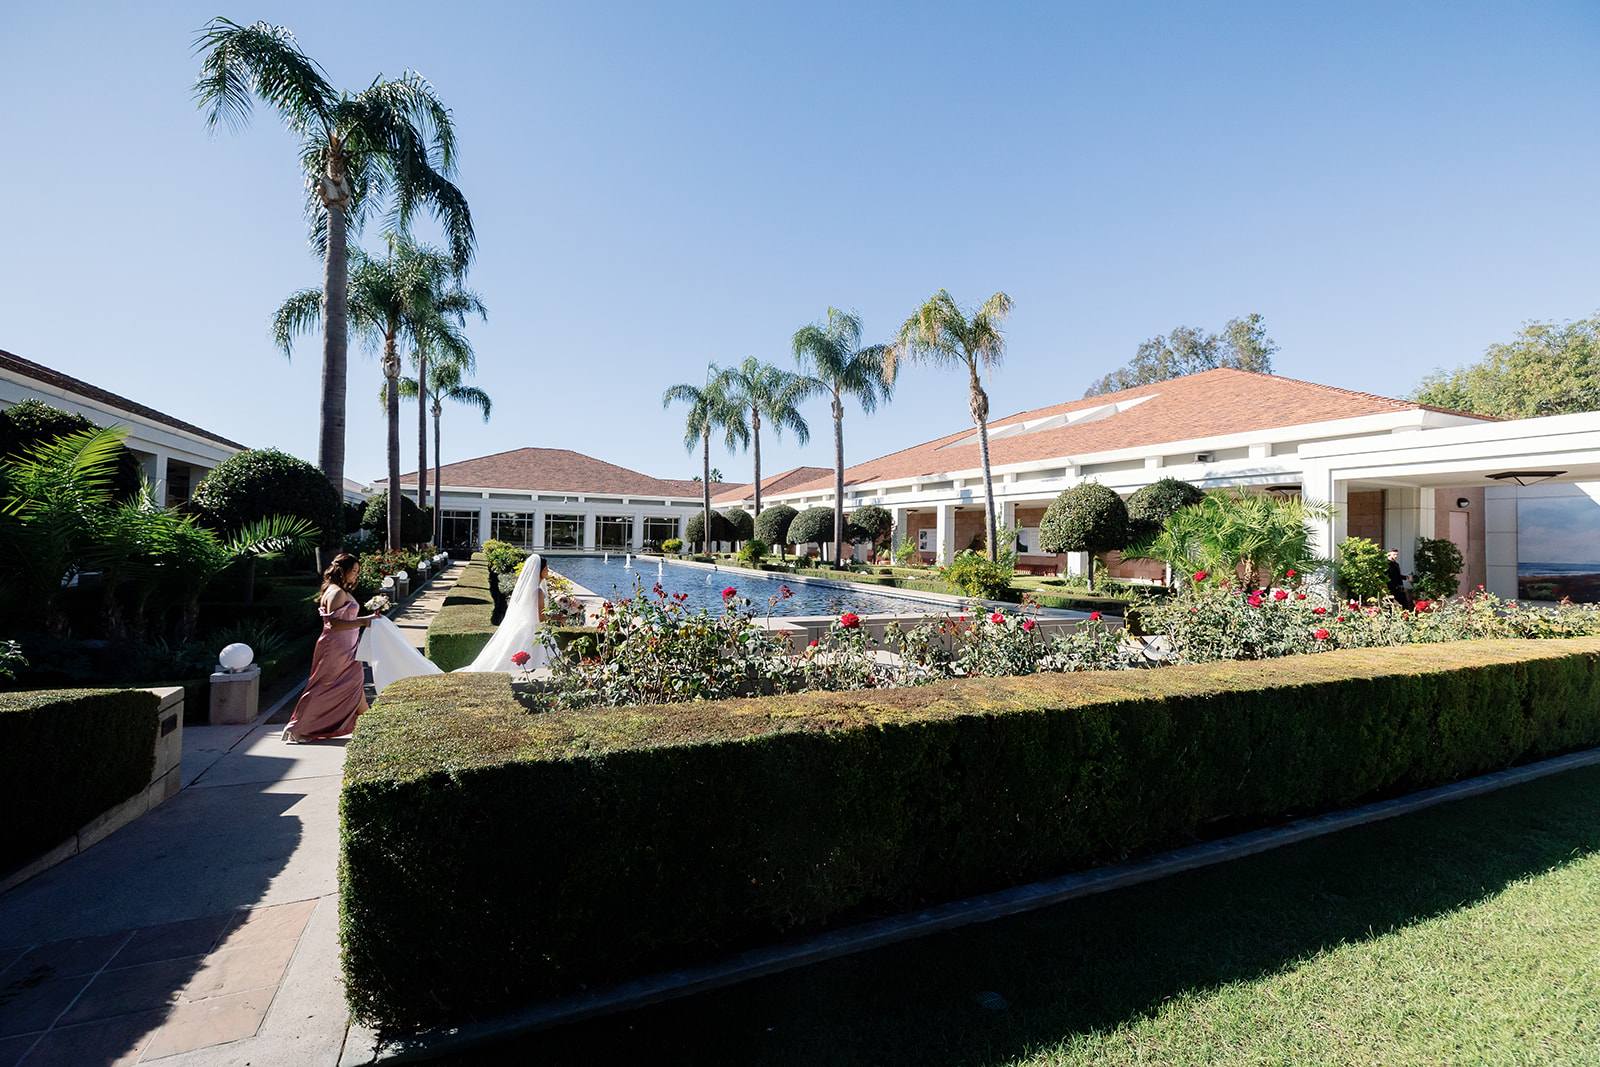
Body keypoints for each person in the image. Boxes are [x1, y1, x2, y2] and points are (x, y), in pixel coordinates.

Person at [282, 553, 379, 742]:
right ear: (342, 570)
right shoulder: (336, 592)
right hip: (336, 648)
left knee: (355, 683)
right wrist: (364, 621)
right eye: (354, 571)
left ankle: (368, 726)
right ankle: (298, 728)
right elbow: (334, 623)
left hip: (347, 647)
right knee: (324, 686)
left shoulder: (338, 590)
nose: (356, 576)